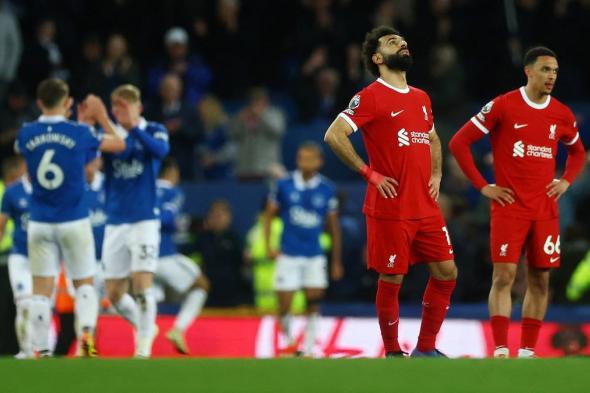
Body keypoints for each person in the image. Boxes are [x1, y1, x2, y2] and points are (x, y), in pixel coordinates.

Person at [324, 26, 458, 357]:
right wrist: (368, 173)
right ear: (378, 57)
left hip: (425, 205)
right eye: (393, 41)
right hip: (391, 206)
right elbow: (334, 134)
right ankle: (393, 353)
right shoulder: (370, 96)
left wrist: (438, 172)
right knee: (393, 277)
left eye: (403, 39)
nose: (403, 43)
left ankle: (426, 349)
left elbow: (433, 137)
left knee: (447, 272)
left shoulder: (421, 97)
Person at [449, 46, 586, 358]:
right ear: (529, 71)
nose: (551, 76)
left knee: (540, 280)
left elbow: (577, 152)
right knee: (504, 276)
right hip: (509, 206)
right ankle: (499, 348)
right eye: (545, 69)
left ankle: (526, 350)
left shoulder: (561, 113)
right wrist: (483, 187)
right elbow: (459, 142)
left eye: (555, 71)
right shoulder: (504, 105)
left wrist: (565, 181)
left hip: (545, 209)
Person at [15, 78, 125, 357]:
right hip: (73, 220)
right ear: (67, 103)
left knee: (41, 290)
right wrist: (100, 116)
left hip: (39, 221)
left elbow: (22, 149)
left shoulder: (26, 133)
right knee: (83, 284)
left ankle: (40, 349)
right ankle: (87, 334)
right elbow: (119, 144)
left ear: (39, 103)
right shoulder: (78, 133)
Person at [101, 84, 169, 358]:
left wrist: (134, 128)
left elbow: (161, 152)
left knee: (142, 286)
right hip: (116, 220)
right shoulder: (109, 134)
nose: (121, 112)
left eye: (126, 107)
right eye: (117, 108)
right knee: (114, 294)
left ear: (138, 107)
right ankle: (146, 327)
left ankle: (142, 347)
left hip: (144, 220)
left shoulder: (153, 129)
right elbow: (99, 154)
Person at [264, 142, 343, 357]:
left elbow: (334, 228)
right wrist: (268, 245)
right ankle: (289, 342)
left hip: (314, 256)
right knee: (284, 304)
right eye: (302, 158)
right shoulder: (283, 185)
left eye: (310, 158)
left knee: (314, 304)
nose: (305, 162)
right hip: (288, 254)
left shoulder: (327, 188)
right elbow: (269, 215)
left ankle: (308, 348)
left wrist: (336, 261)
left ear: (319, 161)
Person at [154, 157, 209, 354]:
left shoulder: (142, 191)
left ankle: (142, 344)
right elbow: (167, 219)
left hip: (141, 260)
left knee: (152, 298)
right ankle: (178, 329)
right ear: (172, 172)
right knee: (201, 285)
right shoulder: (172, 192)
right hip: (164, 255)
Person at [0, 156, 31, 358]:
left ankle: (40, 349)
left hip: (39, 256)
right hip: (13, 255)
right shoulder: (9, 192)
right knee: (21, 303)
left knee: (37, 305)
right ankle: (23, 349)